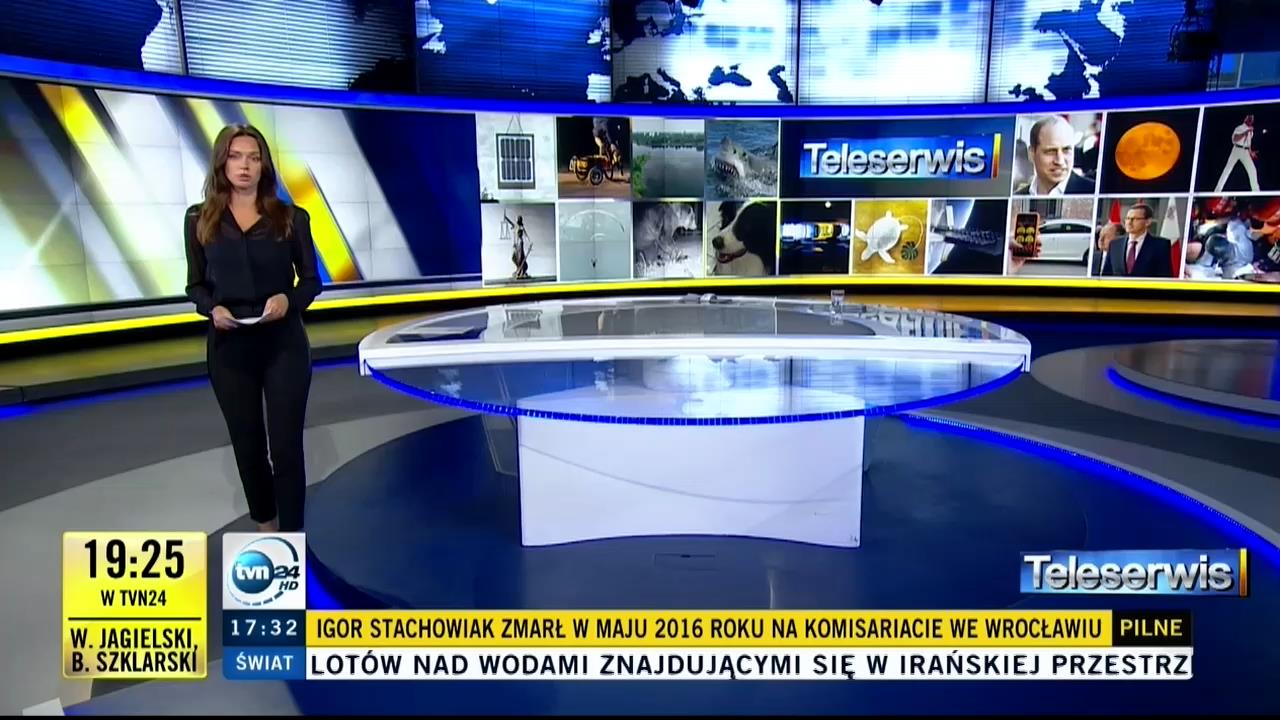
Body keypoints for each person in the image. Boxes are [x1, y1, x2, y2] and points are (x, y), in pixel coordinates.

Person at [184, 124, 321, 533]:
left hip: (283, 345)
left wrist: (289, 301)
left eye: (253, 157)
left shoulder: (291, 218)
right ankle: (267, 529)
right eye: (235, 156)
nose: (244, 165)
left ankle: (292, 539)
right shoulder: (199, 219)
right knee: (248, 446)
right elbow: (195, 284)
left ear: (264, 166)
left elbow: (311, 281)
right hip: (229, 347)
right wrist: (211, 308)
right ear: (221, 163)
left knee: (286, 447)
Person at [1014, 115, 1096, 196]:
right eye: (1051, 151)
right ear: (1031, 154)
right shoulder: (1017, 197)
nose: (1060, 161)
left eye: (1066, 150)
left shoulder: (1093, 191)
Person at [1100, 203, 1174, 278]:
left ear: (1148, 222)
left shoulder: (1160, 246)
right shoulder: (1115, 245)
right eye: (1127, 218)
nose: (1129, 222)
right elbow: (1106, 276)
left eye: (1134, 219)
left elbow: (1165, 277)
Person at [1214, 114, 1261, 192]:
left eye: (1252, 119)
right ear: (1246, 119)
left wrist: (1251, 152)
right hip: (1236, 150)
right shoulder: (1239, 128)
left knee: (1252, 170)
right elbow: (1235, 139)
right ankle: (1217, 191)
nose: (1251, 120)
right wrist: (1245, 132)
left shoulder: (1251, 131)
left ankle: (1256, 191)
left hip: (1245, 151)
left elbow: (1248, 143)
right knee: (1228, 169)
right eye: (1249, 118)